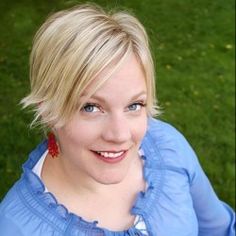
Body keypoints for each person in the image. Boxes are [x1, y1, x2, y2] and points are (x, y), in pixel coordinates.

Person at [0, 3, 234, 236]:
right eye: (91, 107)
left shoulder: (167, 148)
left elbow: (220, 229)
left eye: (134, 105)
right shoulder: (16, 227)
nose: (121, 135)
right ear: (47, 110)